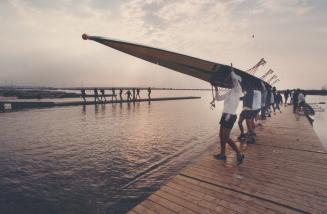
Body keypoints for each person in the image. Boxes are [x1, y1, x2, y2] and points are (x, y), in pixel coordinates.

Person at [213, 63, 244, 165]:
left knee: (225, 137)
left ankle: (239, 153)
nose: (231, 81)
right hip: (225, 115)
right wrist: (216, 88)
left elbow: (234, 79)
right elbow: (218, 98)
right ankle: (222, 154)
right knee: (221, 135)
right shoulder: (230, 92)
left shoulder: (238, 90)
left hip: (230, 116)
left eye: (232, 80)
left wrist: (232, 71)